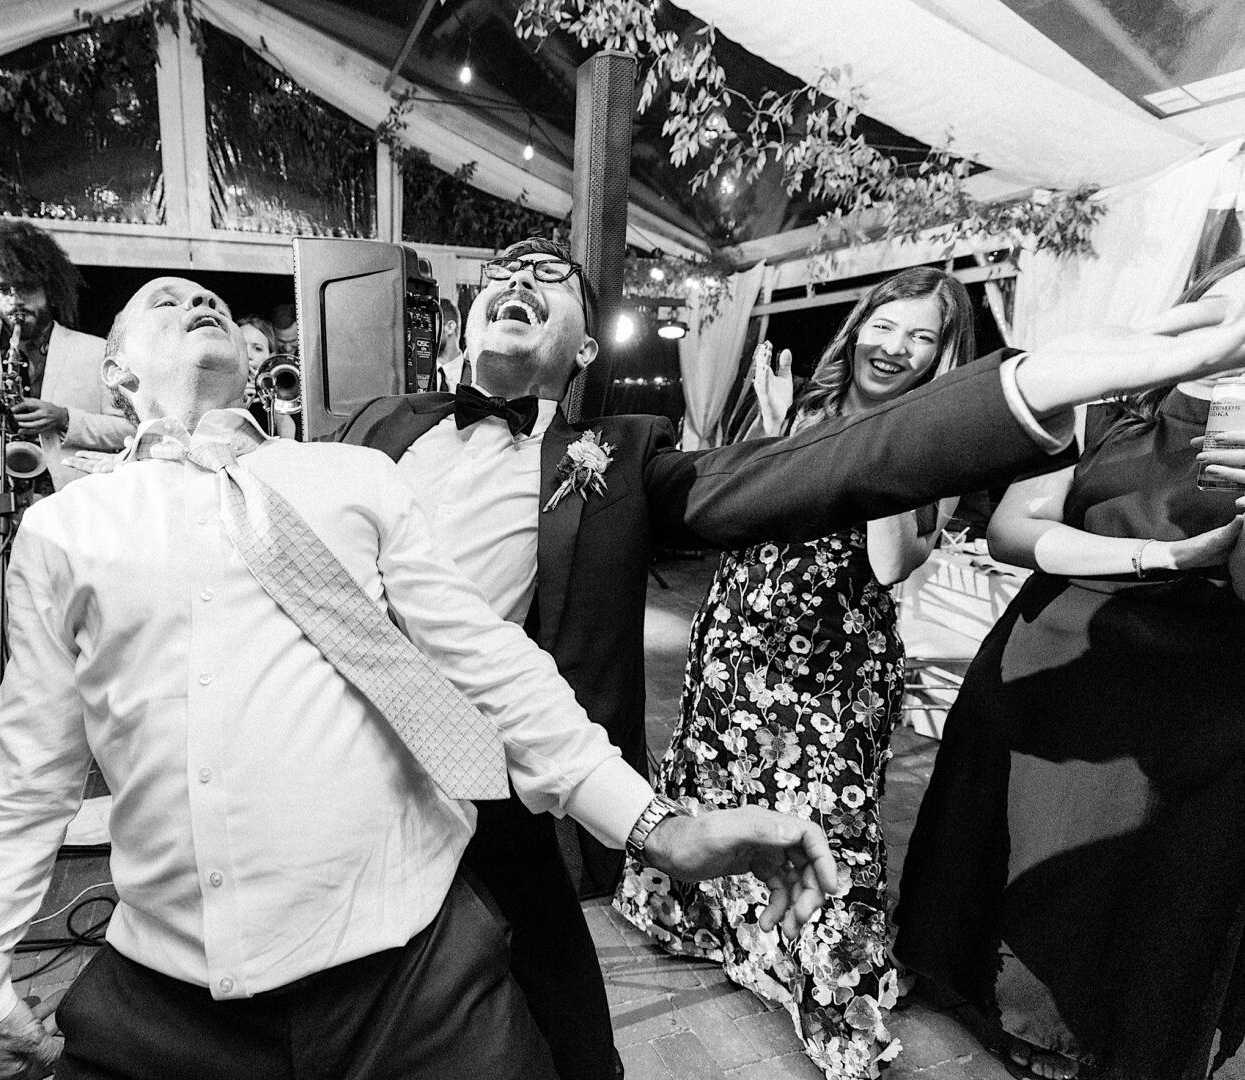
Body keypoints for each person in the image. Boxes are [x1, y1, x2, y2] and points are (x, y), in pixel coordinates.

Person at [332, 236, 1245, 1080]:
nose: (521, 278)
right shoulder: (368, 427)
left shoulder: (619, 456)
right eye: (505, 267)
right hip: (322, 764)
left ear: (583, 354)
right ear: (464, 313)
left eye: (553, 277)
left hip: (493, 776)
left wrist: (1043, 381)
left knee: (563, 1024)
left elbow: (833, 472)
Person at [0, 274, 843, 1080]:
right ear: (117, 376)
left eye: (209, 301)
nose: (197, 302)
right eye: (164, 304)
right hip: (169, 1001)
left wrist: (660, 828)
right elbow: (28, 768)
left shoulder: (350, 477)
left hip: (420, 975)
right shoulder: (67, 531)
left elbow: (489, 663)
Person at [616, 268, 976, 1078]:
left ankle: (835, 1007)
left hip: (832, 666)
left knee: (825, 827)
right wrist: (787, 433)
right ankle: (718, 933)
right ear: (861, 326)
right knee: (721, 791)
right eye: (888, 324)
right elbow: (755, 502)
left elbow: (889, 565)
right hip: (744, 631)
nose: (897, 347)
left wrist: (894, 436)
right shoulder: (812, 407)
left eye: (924, 338)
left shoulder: (942, 441)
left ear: (943, 358)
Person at [892, 256, 1245, 1080]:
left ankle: (1081, 1033)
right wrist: (1159, 555)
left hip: (1198, 699)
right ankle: (985, 1000)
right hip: (1053, 661)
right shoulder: (1111, 393)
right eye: (1222, 305)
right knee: (1011, 851)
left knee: (1136, 884)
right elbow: (1011, 529)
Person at [0, 220, 132, 494]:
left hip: (72, 505)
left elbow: (128, 429)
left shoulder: (98, 352)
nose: (15, 302)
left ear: (49, 289)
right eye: (3, 290)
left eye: (26, 288)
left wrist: (65, 419)